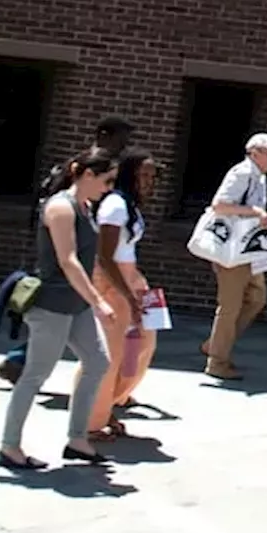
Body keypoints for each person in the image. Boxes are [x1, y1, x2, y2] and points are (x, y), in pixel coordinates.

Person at [0, 147, 118, 470]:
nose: (108, 188)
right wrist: (99, 300)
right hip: (52, 304)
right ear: (87, 174)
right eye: (106, 180)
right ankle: (9, 447)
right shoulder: (61, 208)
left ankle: (78, 440)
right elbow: (68, 260)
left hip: (75, 303)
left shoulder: (86, 206)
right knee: (35, 375)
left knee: (97, 361)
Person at [0, 115, 137, 385]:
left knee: (64, 322)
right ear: (104, 135)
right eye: (121, 138)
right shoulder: (90, 166)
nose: (125, 145)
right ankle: (20, 362)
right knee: (63, 317)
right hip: (68, 250)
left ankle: (19, 361)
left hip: (76, 249)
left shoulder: (99, 165)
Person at [81, 149, 159, 440]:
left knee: (140, 348)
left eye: (153, 176)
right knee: (110, 355)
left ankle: (108, 404)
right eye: (144, 174)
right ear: (129, 174)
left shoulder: (130, 205)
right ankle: (89, 422)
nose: (149, 181)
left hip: (131, 278)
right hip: (112, 282)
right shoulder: (114, 205)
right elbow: (104, 256)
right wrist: (127, 294)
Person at [201, 132, 267, 380]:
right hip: (232, 251)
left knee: (256, 297)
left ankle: (215, 344)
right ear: (255, 153)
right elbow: (219, 205)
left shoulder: (257, 176)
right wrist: (254, 212)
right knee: (230, 306)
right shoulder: (241, 173)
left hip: (246, 251)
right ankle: (217, 361)